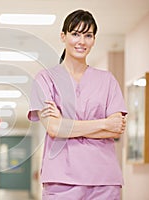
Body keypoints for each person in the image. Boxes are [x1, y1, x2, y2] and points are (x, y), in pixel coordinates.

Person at [27, 9, 127, 199]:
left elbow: (116, 129)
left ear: (94, 40)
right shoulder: (45, 79)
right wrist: (103, 123)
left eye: (88, 35)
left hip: (104, 180)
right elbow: (54, 128)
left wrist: (67, 125)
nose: (81, 41)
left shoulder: (107, 80)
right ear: (63, 36)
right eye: (75, 34)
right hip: (61, 180)